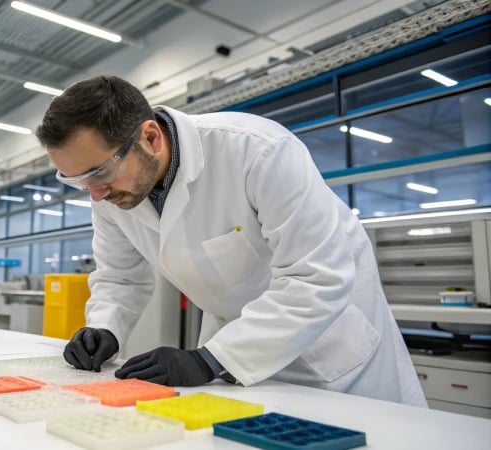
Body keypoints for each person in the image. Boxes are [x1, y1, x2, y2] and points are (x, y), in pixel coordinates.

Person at [36, 75, 426, 406]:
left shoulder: (259, 151)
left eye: (99, 173)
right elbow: (120, 277)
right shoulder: (111, 195)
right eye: (77, 181)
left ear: (150, 138)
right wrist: (104, 328)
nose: (95, 194)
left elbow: (316, 277)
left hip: (331, 356)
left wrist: (211, 359)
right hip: (234, 360)